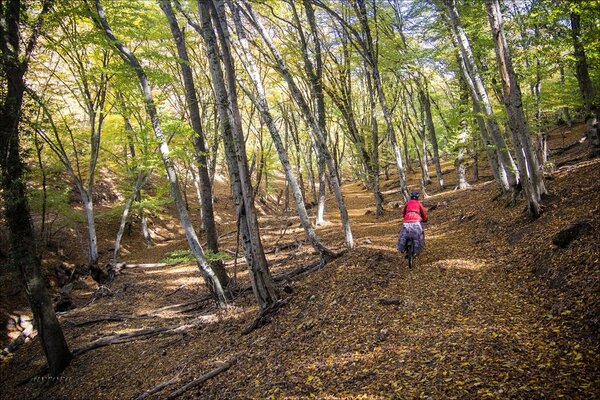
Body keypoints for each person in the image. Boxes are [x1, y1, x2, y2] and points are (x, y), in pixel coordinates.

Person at [396, 191, 428, 257]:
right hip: (416, 220)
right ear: (417, 197)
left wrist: (406, 217)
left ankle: (402, 248)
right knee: (419, 235)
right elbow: (423, 213)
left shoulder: (407, 203)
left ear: (411, 197)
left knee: (403, 234)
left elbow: (403, 212)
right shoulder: (419, 204)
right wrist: (425, 219)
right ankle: (418, 250)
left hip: (407, 220)